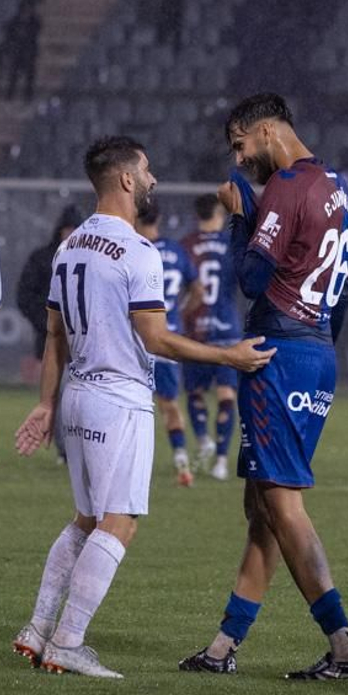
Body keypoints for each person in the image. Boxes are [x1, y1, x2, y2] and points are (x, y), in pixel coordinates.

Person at [11, 137, 273, 678]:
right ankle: (68, 641)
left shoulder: (69, 246)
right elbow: (156, 338)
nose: (152, 179)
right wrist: (228, 356)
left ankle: (38, 629)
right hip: (118, 397)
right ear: (127, 179)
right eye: (147, 170)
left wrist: (45, 404)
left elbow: (54, 336)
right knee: (119, 521)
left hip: (77, 397)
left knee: (86, 519)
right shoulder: (136, 251)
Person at [179, 93, 348, 680]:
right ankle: (222, 647)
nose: (241, 158)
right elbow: (343, 294)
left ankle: (343, 645)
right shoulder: (341, 188)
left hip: (279, 354)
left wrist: (241, 216)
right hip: (316, 350)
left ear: (264, 131)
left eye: (240, 145)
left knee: (281, 504)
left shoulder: (288, 184)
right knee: (261, 504)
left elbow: (253, 278)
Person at [135, 199, 198, 486]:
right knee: (170, 404)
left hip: (137, 338)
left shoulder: (133, 248)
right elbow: (198, 290)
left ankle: (129, 465)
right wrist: (178, 312)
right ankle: (182, 462)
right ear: (159, 219)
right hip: (169, 334)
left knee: (131, 404)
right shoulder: (175, 251)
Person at [183, 193, 241, 480]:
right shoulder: (231, 245)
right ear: (219, 214)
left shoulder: (186, 245)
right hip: (227, 327)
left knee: (195, 392)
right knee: (226, 394)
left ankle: (203, 438)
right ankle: (220, 460)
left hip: (195, 330)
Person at [16, 205, 83, 368]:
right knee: (51, 391)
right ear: (60, 230)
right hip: (49, 341)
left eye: (75, 230)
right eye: (68, 229)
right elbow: (25, 295)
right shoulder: (42, 259)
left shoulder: (90, 260)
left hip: (82, 345)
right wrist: (46, 323)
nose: (71, 234)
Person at [3, 0, 42, 102]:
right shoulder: (16, 20)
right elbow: (10, 32)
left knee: (29, 75)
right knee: (14, 73)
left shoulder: (35, 21)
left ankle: (28, 95)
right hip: (18, 50)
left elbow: (35, 33)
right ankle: (9, 94)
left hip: (29, 51)